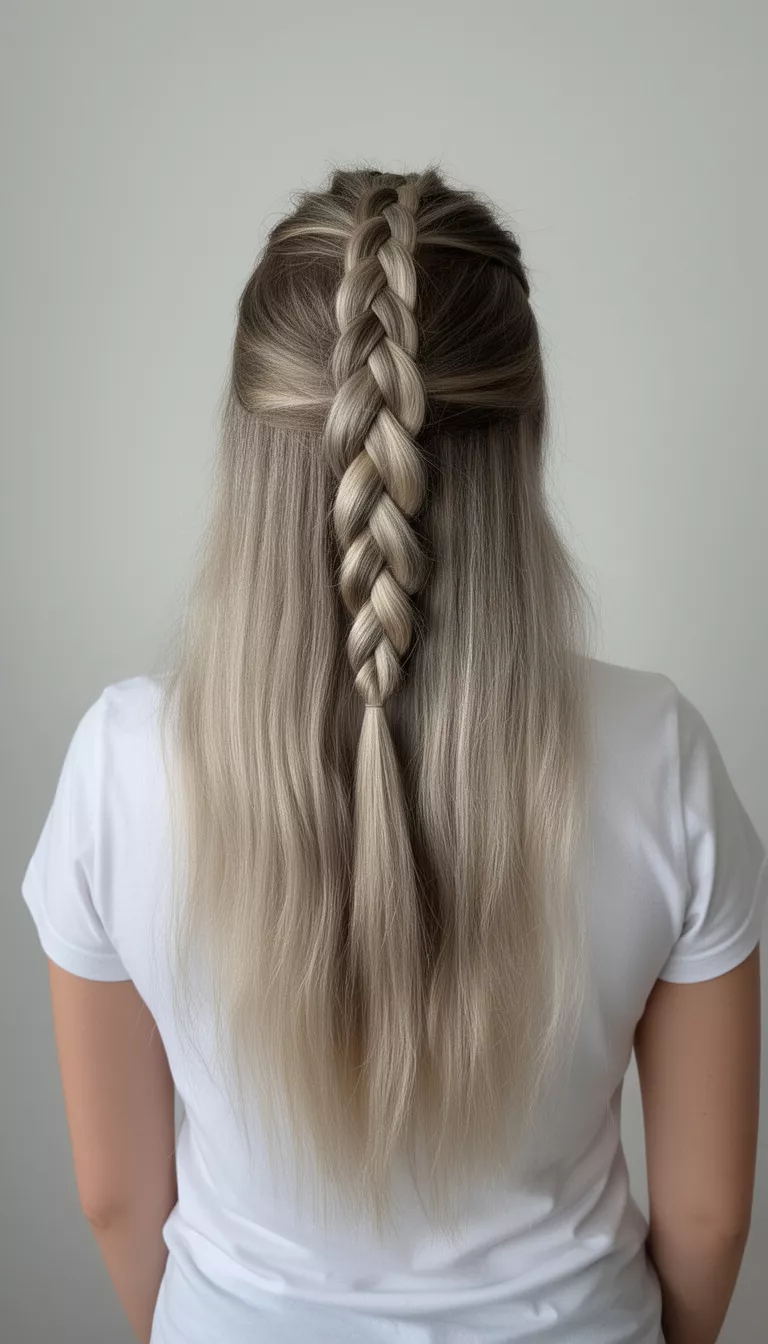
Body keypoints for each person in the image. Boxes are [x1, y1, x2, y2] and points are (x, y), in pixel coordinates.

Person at [21, 166, 766, 1344]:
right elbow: (712, 1215)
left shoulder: (120, 765)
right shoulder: (658, 755)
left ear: (248, 435)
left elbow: (118, 1201)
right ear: (524, 440)